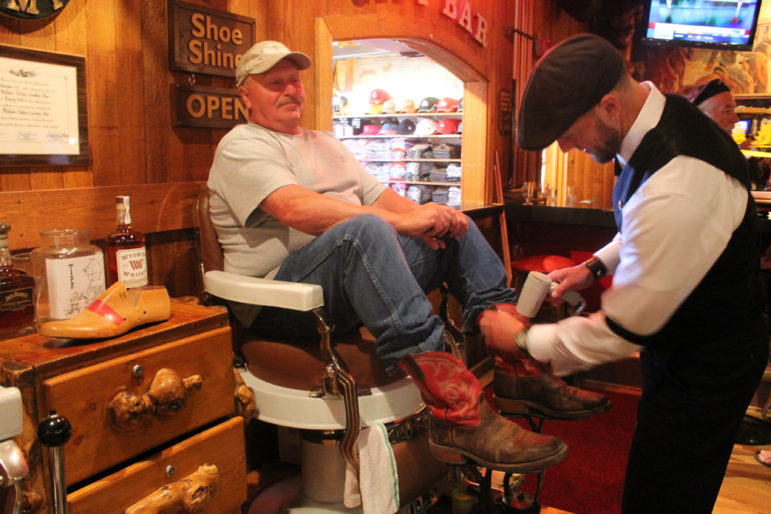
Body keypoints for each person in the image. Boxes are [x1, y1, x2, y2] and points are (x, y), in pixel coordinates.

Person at [207, 40, 609, 474]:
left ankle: (516, 366)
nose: (290, 90)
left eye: (294, 81)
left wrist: (429, 216)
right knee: (367, 230)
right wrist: (400, 224)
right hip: (281, 300)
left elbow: (379, 195)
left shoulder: (324, 142)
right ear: (245, 95)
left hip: (340, 285)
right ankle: (458, 413)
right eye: (274, 84)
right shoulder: (241, 145)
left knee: (458, 226)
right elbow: (294, 209)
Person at [479, 34, 769, 513]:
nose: (569, 148)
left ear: (609, 106)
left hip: (711, 360)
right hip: (682, 342)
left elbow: (621, 330)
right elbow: (645, 228)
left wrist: (524, 342)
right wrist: (593, 267)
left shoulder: (682, 178)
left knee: (664, 496)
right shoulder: (657, 123)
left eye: (570, 135)